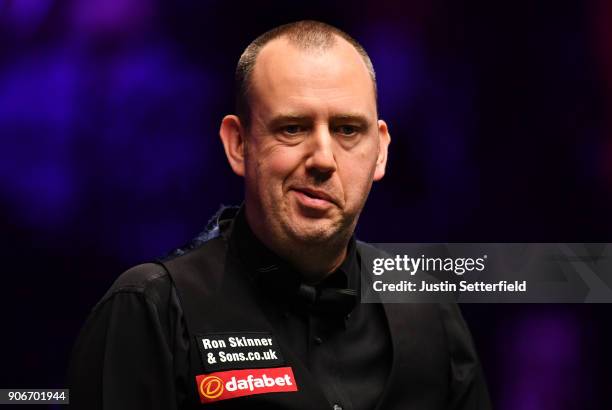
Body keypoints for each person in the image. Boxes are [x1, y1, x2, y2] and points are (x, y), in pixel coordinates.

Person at [68, 20, 491, 409]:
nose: (323, 158)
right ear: (238, 144)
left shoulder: (429, 311)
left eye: (347, 129)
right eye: (292, 128)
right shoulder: (152, 311)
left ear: (380, 151)